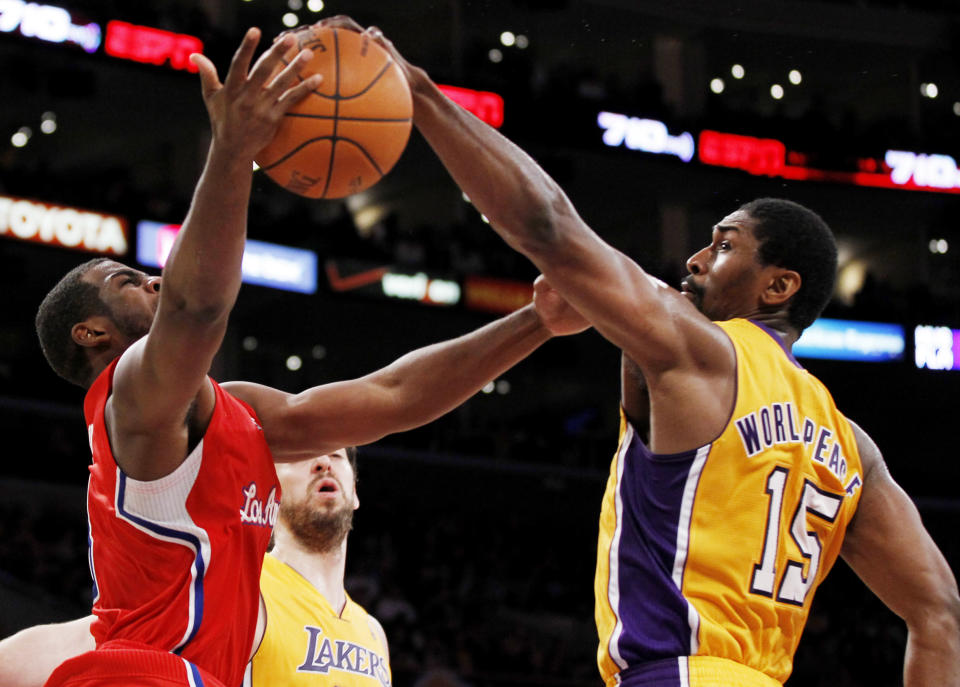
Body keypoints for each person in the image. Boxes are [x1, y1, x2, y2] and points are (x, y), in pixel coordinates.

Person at [322, 16, 960, 687]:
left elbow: (548, 226)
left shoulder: (703, 350)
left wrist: (421, 95)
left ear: (779, 284)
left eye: (723, 244)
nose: (696, 256)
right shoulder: (852, 446)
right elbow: (939, 610)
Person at [29, 26, 586, 687]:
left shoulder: (232, 410)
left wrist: (536, 322)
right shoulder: (129, 402)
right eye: (125, 280)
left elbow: (391, 399)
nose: (150, 278)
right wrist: (233, 151)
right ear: (90, 334)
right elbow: (197, 309)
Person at [0, 447, 393, 687]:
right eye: (304, 455)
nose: (324, 461)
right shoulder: (235, 585)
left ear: (355, 492)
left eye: (337, 455)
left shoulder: (373, 633)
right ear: (270, 492)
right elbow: (101, 636)